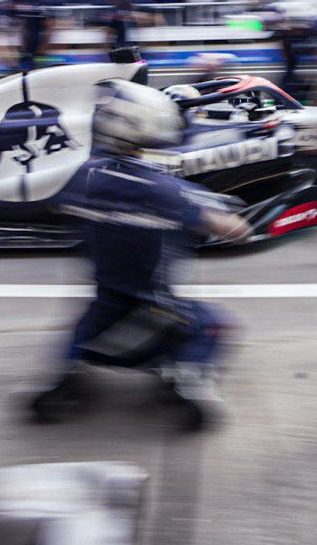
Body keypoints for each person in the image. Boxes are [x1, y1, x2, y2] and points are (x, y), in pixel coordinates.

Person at [28, 80, 251, 430]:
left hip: (99, 327)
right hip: (153, 321)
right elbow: (235, 228)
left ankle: (65, 373)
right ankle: (189, 380)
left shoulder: (80, 178)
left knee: (82, 319)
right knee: (213, 324)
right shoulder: (168, 192)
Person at [5, 0, 55, 71]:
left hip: (37, 46)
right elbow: (15, 20)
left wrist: (43, 48)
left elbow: (50, 25)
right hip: (23, 45)